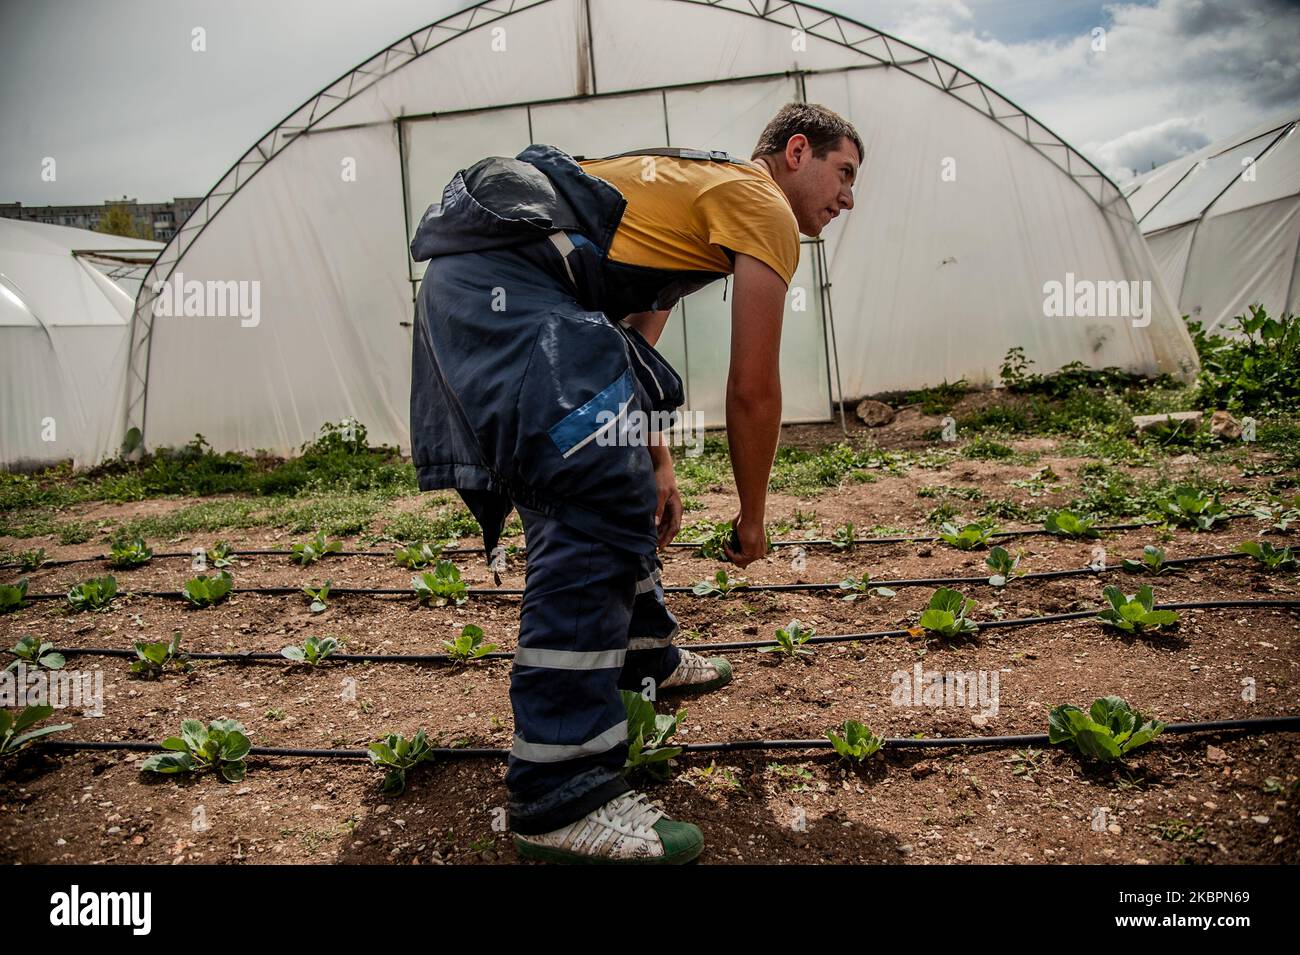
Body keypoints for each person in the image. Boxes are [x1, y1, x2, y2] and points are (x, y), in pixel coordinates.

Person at [409, 102, 862, 863]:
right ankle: (560, 794)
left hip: (491, 284)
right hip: (507, 289)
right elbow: (754, 387)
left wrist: (660, 464)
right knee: (592, 490)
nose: (848, 198)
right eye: (844, 173)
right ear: (795, 152)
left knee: (613, 466)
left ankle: (641, 652)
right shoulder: (762, 206)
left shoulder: (701, 197)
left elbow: (624, 352)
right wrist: (753, 517)